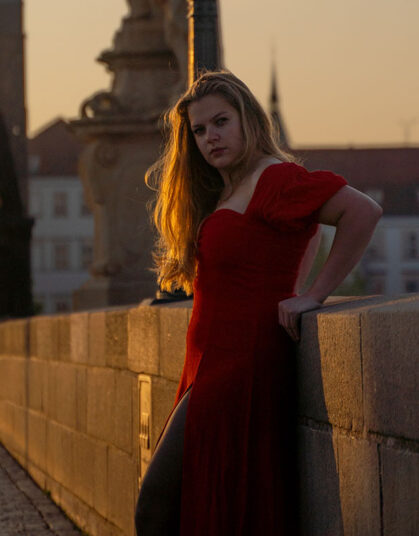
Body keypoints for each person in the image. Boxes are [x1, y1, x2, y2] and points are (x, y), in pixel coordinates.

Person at [135, 70, 382, 536]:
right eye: (200, 130)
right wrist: (299, 285)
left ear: (249, 119)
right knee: (193, 506)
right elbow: (302, 233)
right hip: (207, 365)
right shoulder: (231, 189)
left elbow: (363, 212)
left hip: (238, 367)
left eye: (221, 122)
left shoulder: (274, 177)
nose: (211, 137)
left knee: (155, 506)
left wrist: (312, 294)